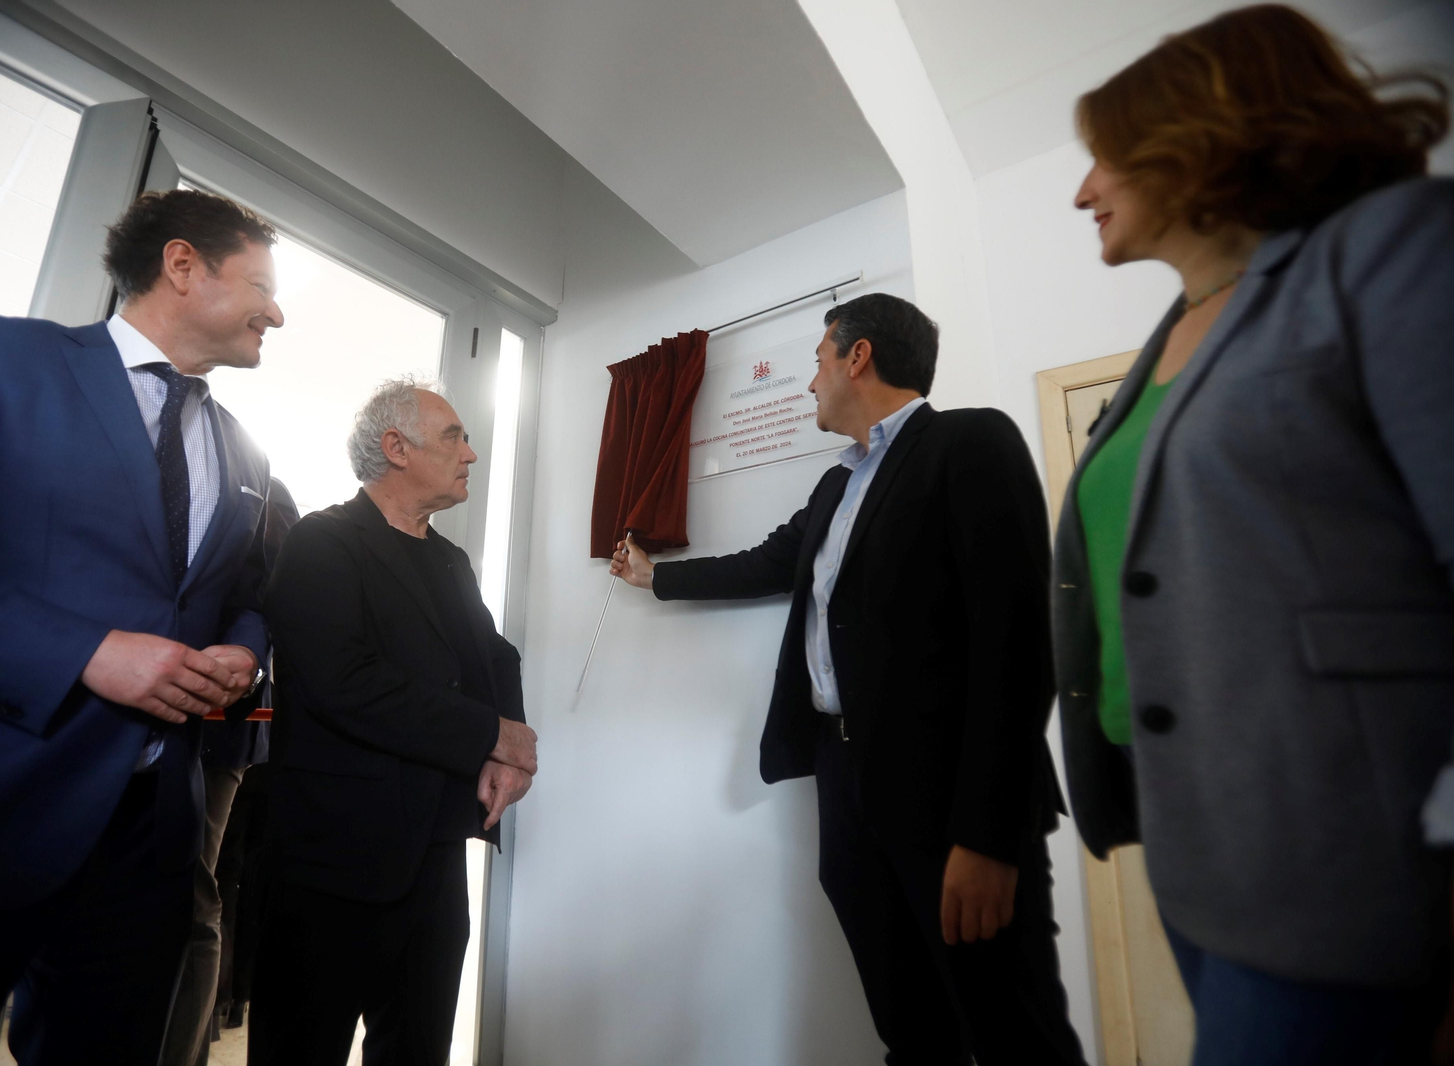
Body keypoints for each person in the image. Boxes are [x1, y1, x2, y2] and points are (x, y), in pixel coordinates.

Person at [1056, 6, 1453, 1063]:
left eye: (1101, 159)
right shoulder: (1166, 334)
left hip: (1351, 865)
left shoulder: (1391, 247)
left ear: (1190, 141)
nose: (1082, 190)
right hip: (1198, 853)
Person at [0, 187, 283, 1065]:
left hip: (146, 840)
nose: (276, 312)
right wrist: (83, 653)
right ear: (181, 264)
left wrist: (245, 646)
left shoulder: (245, 450)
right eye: (263, 284)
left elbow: (242, 589)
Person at [612, 292, 1087, 1066]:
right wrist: (653, 579)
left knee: (1010, 1027)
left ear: (856, 356)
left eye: (817, 362)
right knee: (910, 1027)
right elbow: (769, 562)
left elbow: (1018, 642)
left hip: (949, 795)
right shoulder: (838, 486)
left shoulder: (967, 442)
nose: (810, 384)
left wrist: (987, 834)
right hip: (847, 777)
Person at [253, 379, 538, 1066]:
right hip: (332, 857)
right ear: (395, 448)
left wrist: (512, 745)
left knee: (417, 1048)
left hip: (435, 857)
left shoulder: (450, 560)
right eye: (454, 437)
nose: (470, 454)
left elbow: (493, 658)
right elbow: (343, 684)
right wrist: (489, 734)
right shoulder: (321, 543)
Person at [162, 475, 296, 1066]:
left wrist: (243, 655)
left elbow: (264, 601)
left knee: (195, 894)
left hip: (221, 728)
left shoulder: (257, 481)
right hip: (125, 713)